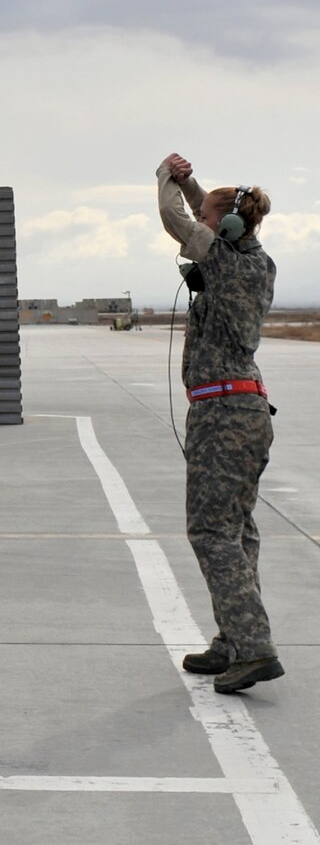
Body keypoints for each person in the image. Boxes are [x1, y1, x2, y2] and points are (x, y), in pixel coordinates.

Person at [156, 152, 280, 693]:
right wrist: (193, 184)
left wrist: (164, 178)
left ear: (225, 226)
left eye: (208, 217)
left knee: (210, 532)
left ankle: (253, 649)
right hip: (245, 412)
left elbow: (175, 220)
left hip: (224, 415)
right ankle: (233, 640)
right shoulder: (252, 258)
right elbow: (211, 214)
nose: (201, 222)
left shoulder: (226, 262)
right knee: (237, 531)